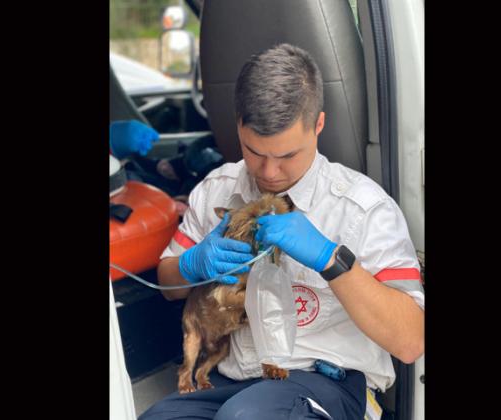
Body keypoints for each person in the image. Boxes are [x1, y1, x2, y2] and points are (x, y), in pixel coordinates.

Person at [140, 43, 424, 420]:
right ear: (238, 124)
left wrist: (331, 260)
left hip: (325, 381)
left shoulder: (363, 208)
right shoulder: (217, 190)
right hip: (233, 380)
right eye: (254, 151)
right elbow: (168, 283)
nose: (270, 173)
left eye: (288, 155)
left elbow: (409, 341)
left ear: (318, 124)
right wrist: (192, 265)